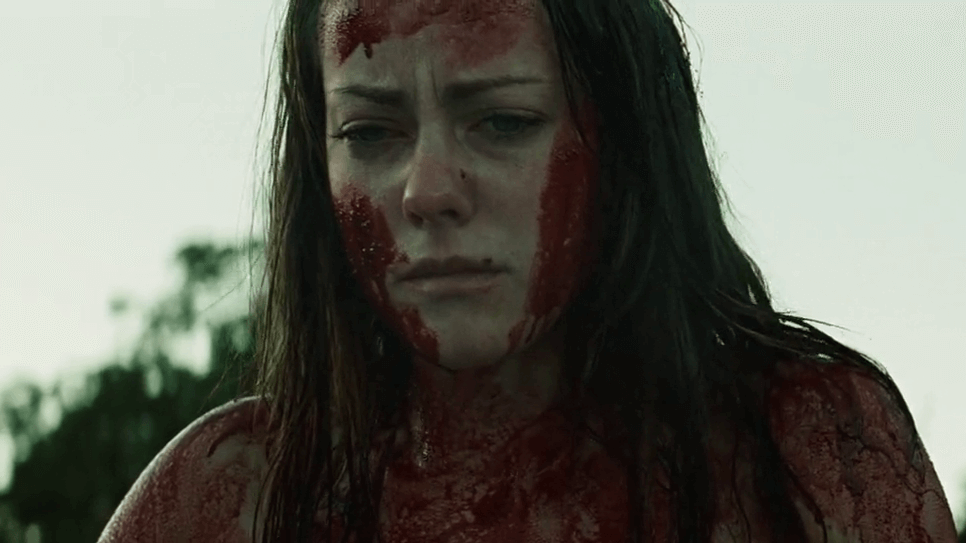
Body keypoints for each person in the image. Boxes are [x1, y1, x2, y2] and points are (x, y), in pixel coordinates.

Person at [97, 0, 959, 541]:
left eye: (502, 121)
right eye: (369, 132)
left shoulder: (804, 452)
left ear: (621, 142)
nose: (428, 189)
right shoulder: (234, 499)